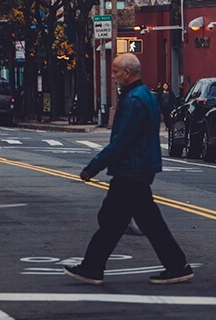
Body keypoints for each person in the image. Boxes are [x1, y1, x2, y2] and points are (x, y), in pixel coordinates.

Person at [63, 52, 193, 286]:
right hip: (140, 167)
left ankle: (92, 267)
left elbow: (122, 141)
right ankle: (177, 265)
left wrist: (93, 167)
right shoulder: (146, 95)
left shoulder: (133, 100)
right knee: (140, 221)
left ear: (127, 73)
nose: (113, 76)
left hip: (131, 168)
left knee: (112, 219)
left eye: (115, 72)